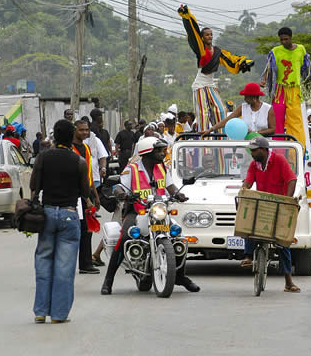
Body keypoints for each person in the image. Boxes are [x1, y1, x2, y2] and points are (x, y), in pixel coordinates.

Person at [101, 136, 200, 294]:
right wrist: (123, 195)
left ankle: (180, 276)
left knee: (178, 237)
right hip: (137, 211)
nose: (163, 153)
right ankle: (108, 280)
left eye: (163, 150)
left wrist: (178, 194)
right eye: (159, 150)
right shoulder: (132, 169)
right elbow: (119, 187)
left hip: (159, 211)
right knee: (125, 238)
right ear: (147, 152)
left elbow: (171, 186)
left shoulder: (162, 168)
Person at [30, 119, 90, 323]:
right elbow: (85, 191)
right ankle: (58, 315)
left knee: (43, 261)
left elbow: (34, 186)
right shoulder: (79, 161)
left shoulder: (43, 158)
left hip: (46, 213)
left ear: (54, 136)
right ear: (72, 137)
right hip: (69, 214)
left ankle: (40, 311)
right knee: (64, 267)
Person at [178, 4, 254, 134]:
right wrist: (186, 16)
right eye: (207, 35)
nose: (209, 37)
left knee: (220, 110)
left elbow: (231, 59)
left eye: (211, 35)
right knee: (204, 113)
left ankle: (221, 138)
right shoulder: (201, 50)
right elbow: (192, 32)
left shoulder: (218, 51)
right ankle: (203, 142)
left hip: (211, 84)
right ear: (202, 37)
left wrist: (242, 63)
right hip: (200, 85)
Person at [240, 136, 300, 293]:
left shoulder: (279, 160)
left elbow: (291, 180)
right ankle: (247, 256)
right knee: (248, 223)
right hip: (262, 204)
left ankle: (288, 282)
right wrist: (244, 189)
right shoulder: (255, 164)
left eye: (255, 150)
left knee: (283, 243)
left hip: (279, 205)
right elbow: (248, 181)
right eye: (251, 151)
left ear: (264, 150)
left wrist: (287, 201)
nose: (252, 154)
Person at [259, 27, 311, 148]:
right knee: (277, 119)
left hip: (294, 90)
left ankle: (299, 148)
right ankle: (279, 149)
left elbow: (307, 67)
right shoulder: (275, 51)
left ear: (291, 38)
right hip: (279, 90)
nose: (284, 42)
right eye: (281, 40)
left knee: (295, 121)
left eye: (286, 39)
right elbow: (269, 68)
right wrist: (264, 80)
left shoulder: (301, 49)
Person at [72, 120, 100, 275]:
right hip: (74, 195)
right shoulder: (70, 149)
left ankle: (86, 263)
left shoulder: (87, 148)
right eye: (81, 130)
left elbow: (90, 175)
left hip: (87, 193)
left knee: (87, 229)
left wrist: (95, 196)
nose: (84, 133)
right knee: (76, 229)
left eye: (86, 130)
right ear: (75, 130)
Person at [201, 83, 276, 137]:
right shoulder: (243, 107)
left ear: (254, 97)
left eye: (246, 96)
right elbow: (227, 120)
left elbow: (272, 129)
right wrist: (211, 129)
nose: (244, 99)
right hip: (247, 144)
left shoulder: (268, 109)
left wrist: (256, 133)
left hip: (264, 144)